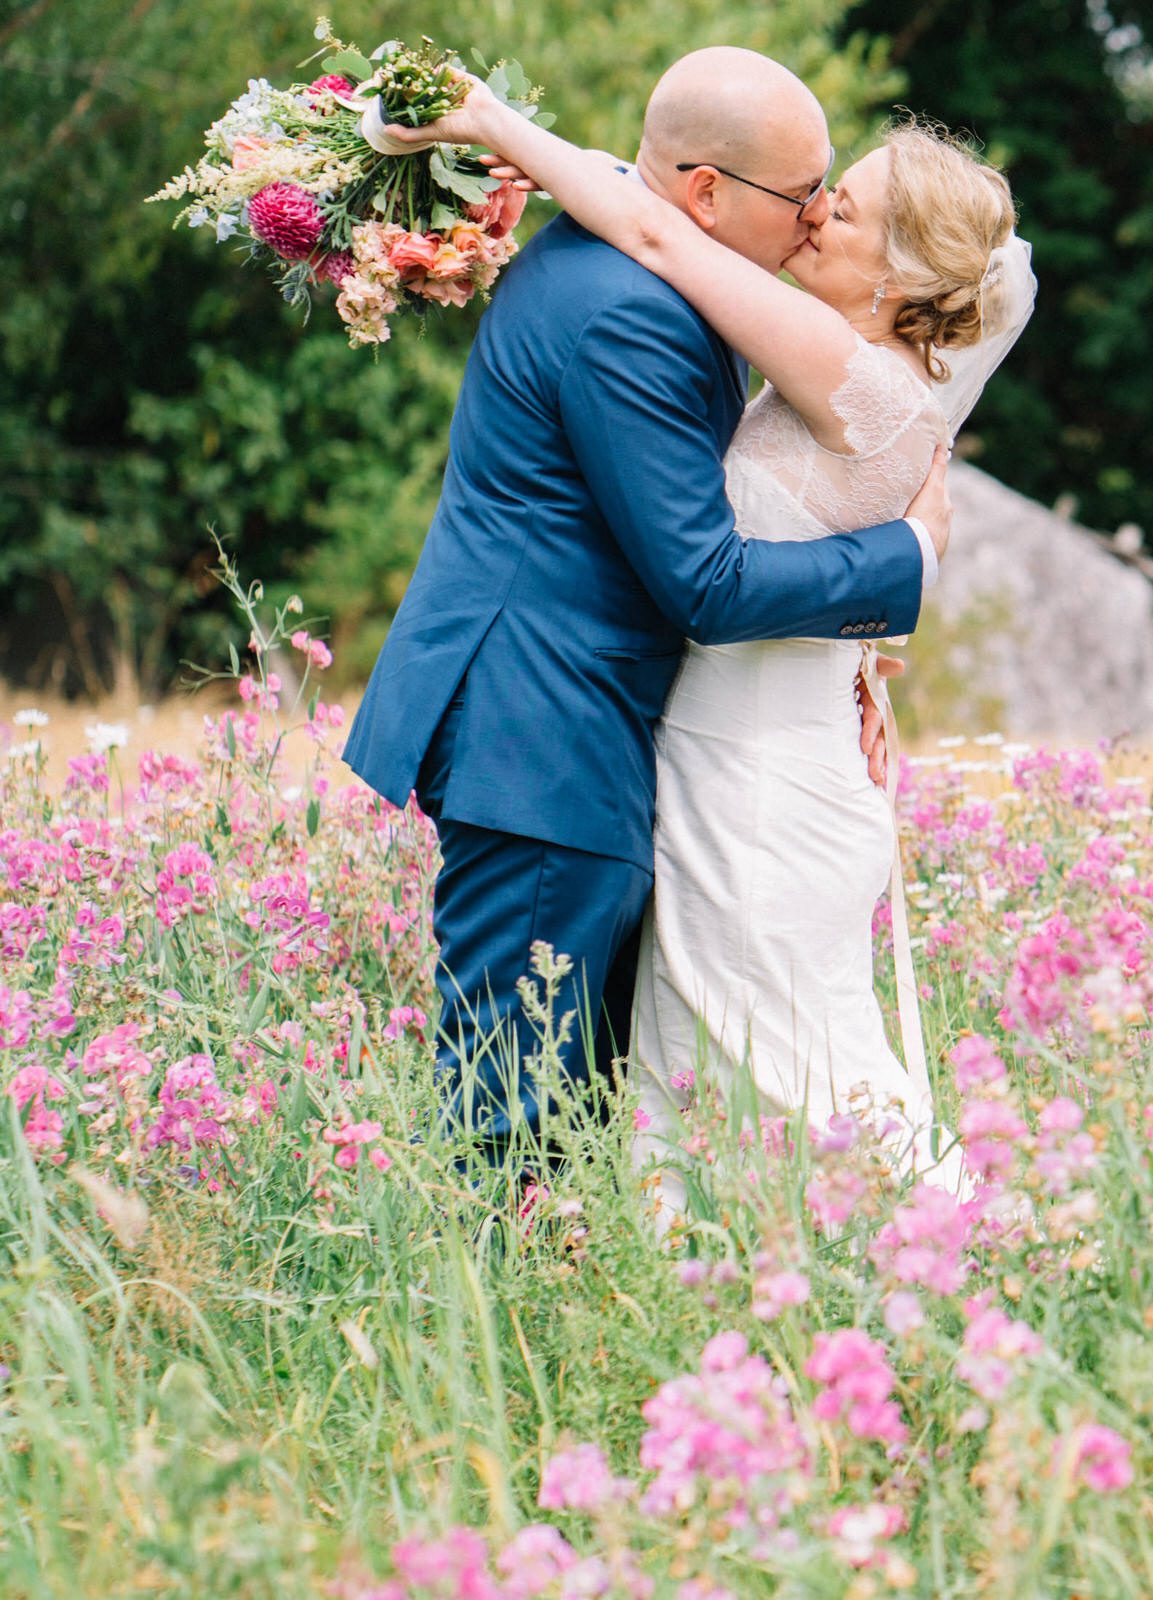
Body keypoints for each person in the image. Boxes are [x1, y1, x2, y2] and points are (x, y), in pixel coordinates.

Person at [388, 50, 1035, 1210]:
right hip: (610, 743)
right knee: (639, 1094)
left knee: (771, 1072)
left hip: (749, 778)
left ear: (896, 274)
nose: (819, 212)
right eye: (812, 192)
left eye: (843, 198)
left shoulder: (848, 369)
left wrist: (891, 598)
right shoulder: (682, 315)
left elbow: (656, 232)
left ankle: (944, 1256)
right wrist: (893, 592)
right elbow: (715, 568)